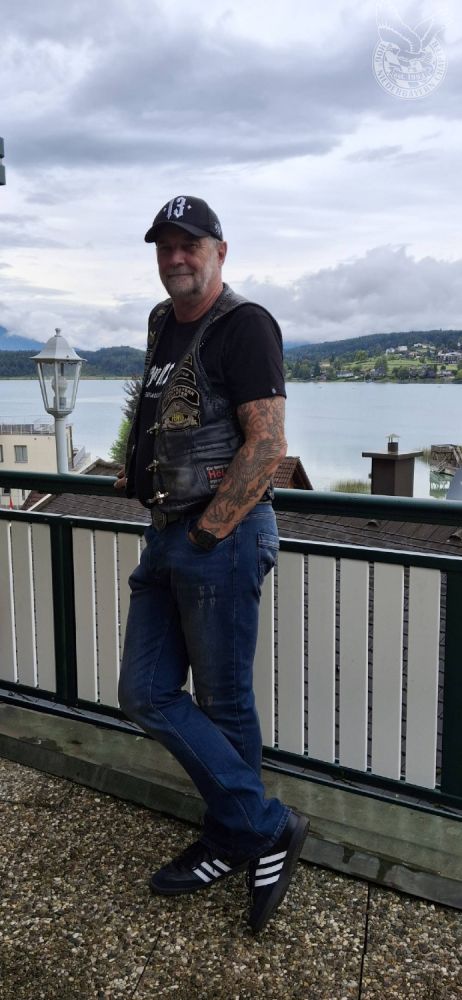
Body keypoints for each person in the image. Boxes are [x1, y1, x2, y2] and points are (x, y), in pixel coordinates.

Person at [116, 195, 309, 934]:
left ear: (219, 251)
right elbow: (168, 412)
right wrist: (135, 468)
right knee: (144, 692)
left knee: (224, 703)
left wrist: (206, 535)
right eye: (164, 246)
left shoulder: (245, 324)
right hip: (166, 530)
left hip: (218, 538)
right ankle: (263, 825)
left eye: (189, 244)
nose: (175, 258)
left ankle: (236, 837)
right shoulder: (162, 322)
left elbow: (267, 446)